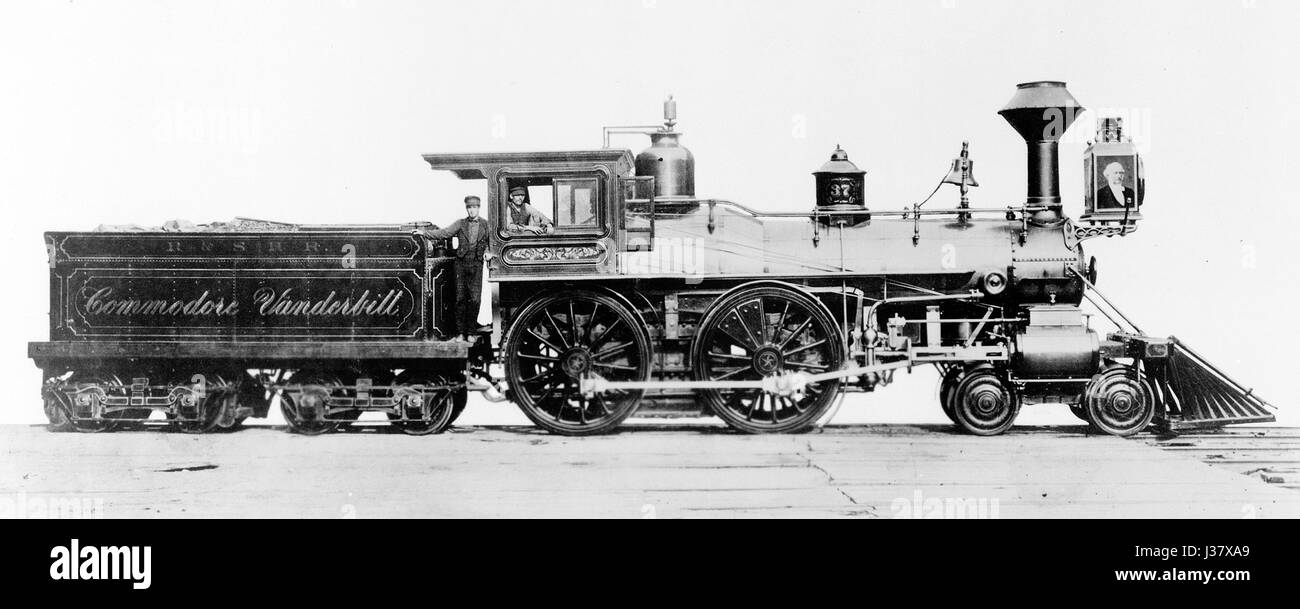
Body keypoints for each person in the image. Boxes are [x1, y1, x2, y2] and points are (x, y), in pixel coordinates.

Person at [420, 196, 492, 342]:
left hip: (477, 265)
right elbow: (445, 233)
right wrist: (424, 233)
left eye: (475, 207)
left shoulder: (486, 224)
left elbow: (493, 242)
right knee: (460, 299)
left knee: (475, 300)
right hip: (460, 264)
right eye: (469, 208)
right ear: (467, 208)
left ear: (479, 208)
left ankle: (471, 332)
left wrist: (488, 251)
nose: (472, 210)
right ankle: (460, 333)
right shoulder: (461, 223)